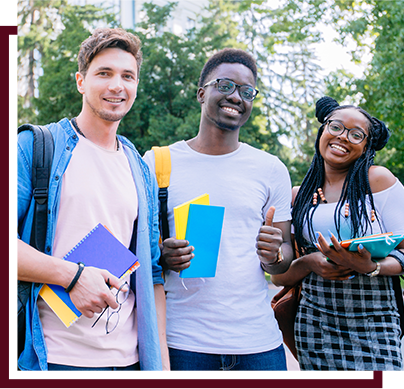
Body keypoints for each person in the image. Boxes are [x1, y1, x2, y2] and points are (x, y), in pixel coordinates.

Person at [16, 28, 170, 372]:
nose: (117, 85)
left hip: (129, 362)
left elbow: (153, 272)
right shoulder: (35, 148)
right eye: (104, 73)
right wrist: (72, 276)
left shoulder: (139, 167)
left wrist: (161, 367)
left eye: (127, 76)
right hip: (53, 360)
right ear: (81, 81)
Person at [143, 48, 294, 372]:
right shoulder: (157, 163)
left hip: (258, 346)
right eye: (225, 85)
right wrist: (163, 255)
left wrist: (273, 255)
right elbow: (135, 245)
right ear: (201, 93)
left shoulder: (270, 168)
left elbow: (283, 259)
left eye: (246, 91)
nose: (236, 96)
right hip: (183, 344)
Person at [267, 96, 404, 372]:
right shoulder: (299, 196)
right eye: (336, 127)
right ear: (323, 130)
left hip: (375, 319)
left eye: (356, 134)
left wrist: (371, 266)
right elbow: (279, 276)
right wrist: (308, 262)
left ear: (366, 146)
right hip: (315, 321)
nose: (343, 137)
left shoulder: (378, 181)